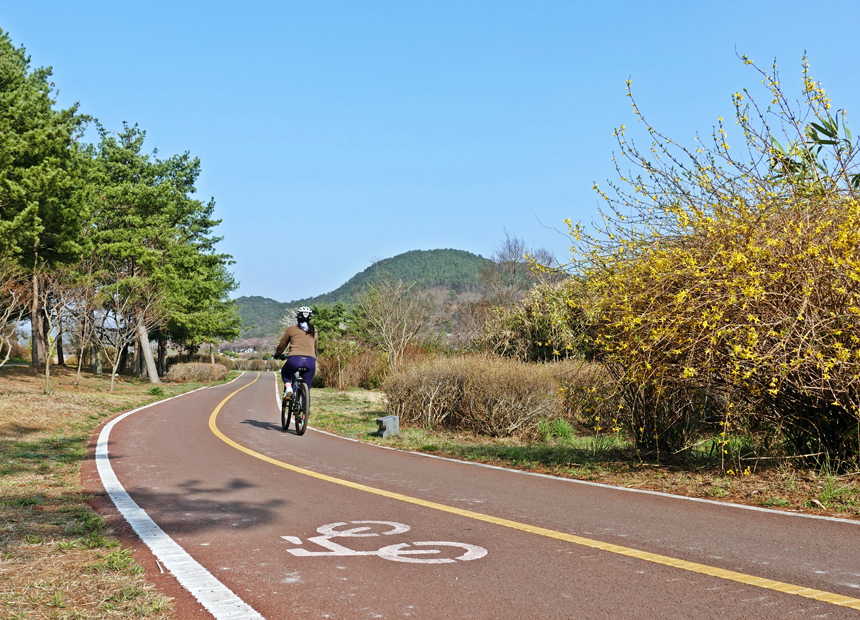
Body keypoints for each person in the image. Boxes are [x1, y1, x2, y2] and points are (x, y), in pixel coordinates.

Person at [275, 306, 319, 396]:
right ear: (310, 319)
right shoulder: (314, 330)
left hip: (294, 360)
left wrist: (278, 354)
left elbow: (282, 345)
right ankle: (304, 402)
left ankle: (289, 388)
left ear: (297, 317)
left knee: (285, 372)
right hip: (310, 362)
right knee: (305, 391)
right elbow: (315, 348)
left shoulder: (291, 329)